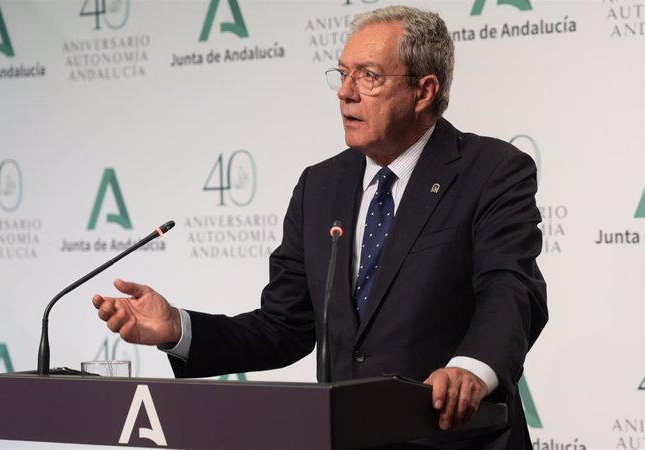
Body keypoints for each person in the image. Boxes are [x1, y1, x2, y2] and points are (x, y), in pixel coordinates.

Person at [93, 5, 548, 449]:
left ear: (424, 90)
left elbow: (510, 289)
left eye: (368, 75)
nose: (345, 92)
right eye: (343, 73)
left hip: (452, 439)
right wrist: (178, 328)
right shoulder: (321, 185)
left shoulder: (490, 171)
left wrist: (471, 369)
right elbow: (284, 325)